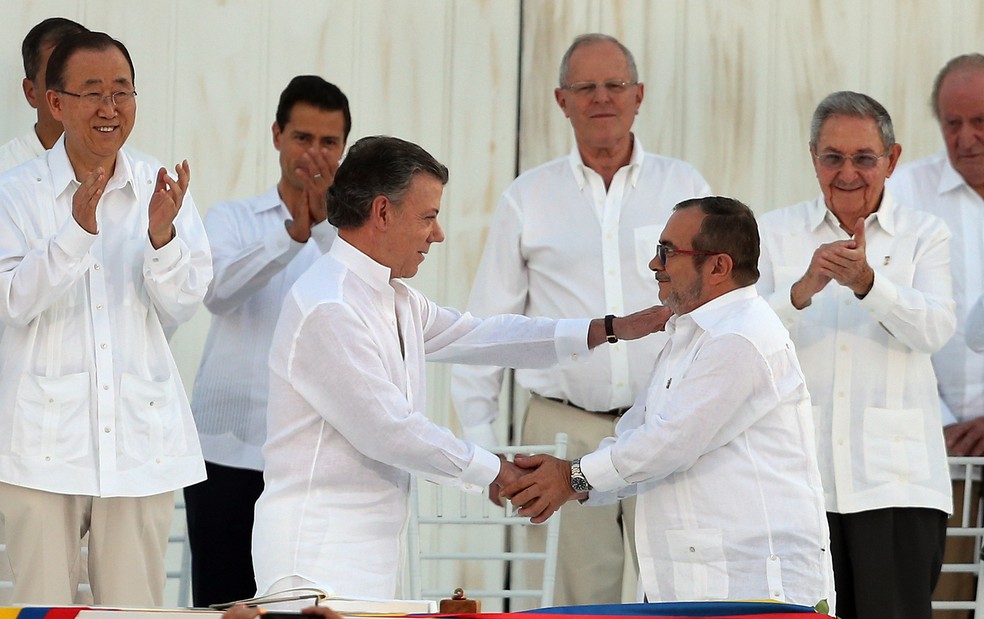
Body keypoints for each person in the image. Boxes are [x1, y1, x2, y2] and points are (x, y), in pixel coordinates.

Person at [250, 135, 670, 600]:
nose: (438, 234)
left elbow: (485, 335)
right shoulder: (327, 305)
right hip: (315, 557)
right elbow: (388, 429)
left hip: (369, 554)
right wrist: (495, 471)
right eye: (428, 217)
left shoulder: (396, 298)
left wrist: (607, 328)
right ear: (383, 213)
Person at [450, 32, 710, 606]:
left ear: (639, 95)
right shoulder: (528, 198)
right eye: (584, 87)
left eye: (614, 85)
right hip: (562, 428)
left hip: (664, 426)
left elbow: (720, 302)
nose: (601, 98)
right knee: (573, 604)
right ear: (560, 99)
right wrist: (481, 447)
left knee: (670, 591)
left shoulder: (685, 190)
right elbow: (488, 331)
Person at [502, 196, 834, 609]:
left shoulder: (740, 336)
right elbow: (637, 438)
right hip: (696, 581)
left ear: (718, 267)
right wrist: (576, 486)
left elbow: (669, 444)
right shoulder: (691, 333)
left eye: (667, 252)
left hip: (752, 587)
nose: (654, 264)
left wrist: (573, 477)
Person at [0, 31, 212, 606]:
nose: (109, 107)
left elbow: (184, 301)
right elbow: (13, 301)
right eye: (92, 92)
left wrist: (161, 237)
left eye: (122, 91)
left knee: (135, 610)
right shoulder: (15, 193)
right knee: (44, 607)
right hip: (41, 444)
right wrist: (76, 231)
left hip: (139, 440)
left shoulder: (158, 186)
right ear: (55, 103)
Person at [757, 91, 955, 619]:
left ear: (891, 160)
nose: (848, 172)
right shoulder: (776, 233)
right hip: (798, 482)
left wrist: (870, 284)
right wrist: (802, 289)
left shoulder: (925, 236)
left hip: (897, 482)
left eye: (864, 158)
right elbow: (739, 343)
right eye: (833, 157)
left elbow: (935, 329)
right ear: (812, 157)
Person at [185, 76, 350, 607]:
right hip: (227, 447)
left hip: (314, 457)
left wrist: (324, 232)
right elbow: (216, 292)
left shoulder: (355, 241)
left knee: (306, 606)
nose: (315, 154)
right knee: (224, 604)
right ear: (277, 135)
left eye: (329, 142)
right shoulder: (231, 218)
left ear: (344, 148)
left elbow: (363, 308)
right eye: (303, 137)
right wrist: (289, 238)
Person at [886, 54, 984, 618]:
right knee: (940, 603)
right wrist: (940, 419)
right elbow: (887, 313)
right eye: (952, 123)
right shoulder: (907, 196)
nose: (965, 138)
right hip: (935, 449)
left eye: (980, 121)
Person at [0, 17, 88, 171]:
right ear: (31, 92)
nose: (76, 89)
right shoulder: (5, 170)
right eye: (59, 75)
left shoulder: (138, 173)